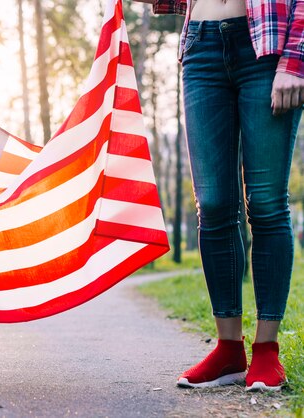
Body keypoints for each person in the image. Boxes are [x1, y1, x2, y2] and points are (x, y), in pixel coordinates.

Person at [134, 0, 304, 391]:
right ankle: (229, 348)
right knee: (211, 204)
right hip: (201, 46)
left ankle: (266, 349)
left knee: (264, 201)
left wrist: (295, 59)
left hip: (267, 47)